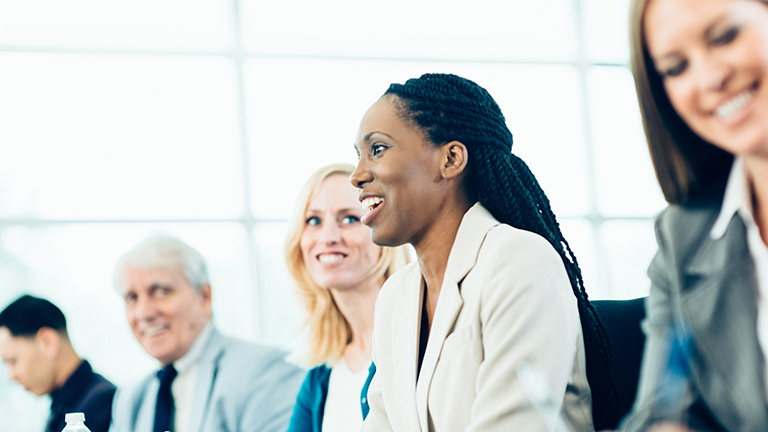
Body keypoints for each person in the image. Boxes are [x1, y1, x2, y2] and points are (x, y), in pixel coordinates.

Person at [350, 73, 615, 431]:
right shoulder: (395, 297)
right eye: (359, 156)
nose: (357, 175)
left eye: (377, 149)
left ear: (451, 158)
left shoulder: (520, 262)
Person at [620, 0, 768, 431]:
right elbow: (662, 407)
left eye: (725, 37)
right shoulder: (682, 238)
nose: (710, 79)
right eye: (675, 67)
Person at [109, 235, 304, 432]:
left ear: (205, 296)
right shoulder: (131, 399)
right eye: (132, 298)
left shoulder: (264, 371)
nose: (144, 313)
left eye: (160, 291)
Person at [284, 163, 411, 432]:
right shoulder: (321, 376)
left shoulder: (416, 339)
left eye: (349, 219)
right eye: (313, 221)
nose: (328, 237)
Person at [0, 295, 116, 432]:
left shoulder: (104, 408)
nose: (11, 376)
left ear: (47, 342)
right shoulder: (64, 408)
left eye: (14, 361)